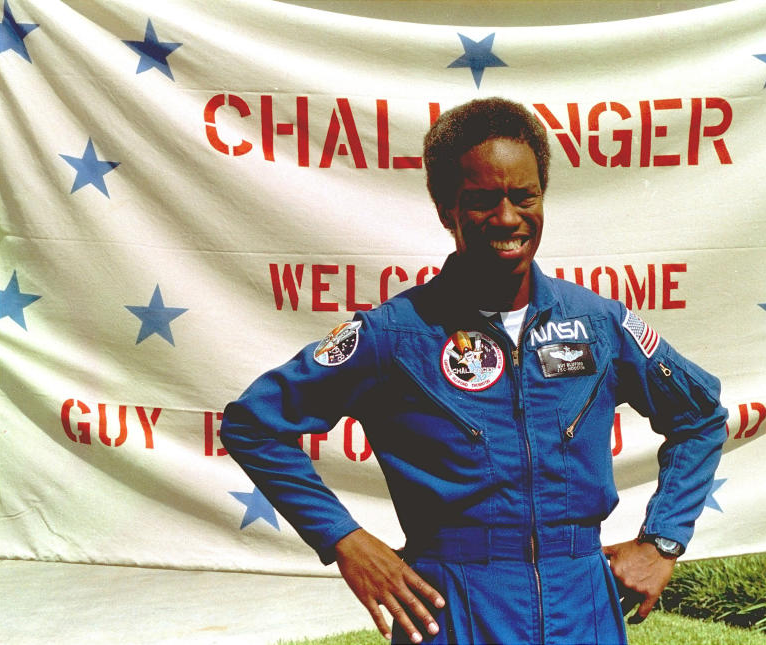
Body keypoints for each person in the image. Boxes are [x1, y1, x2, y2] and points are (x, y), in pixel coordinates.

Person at [220, 97, 727, 644]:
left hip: (583, 603)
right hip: (454, 606)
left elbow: (700, 416)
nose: (508, 218)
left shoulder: (598, 324)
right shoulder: (394, 335)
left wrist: (662, 541)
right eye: (483, 200)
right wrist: (345, 540)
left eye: (524, 196)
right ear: (447, 212)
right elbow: (254, 425)